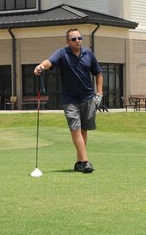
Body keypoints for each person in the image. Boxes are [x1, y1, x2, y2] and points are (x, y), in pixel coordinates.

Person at [33, 28, 104, 173]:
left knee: (84, 131)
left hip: (88, 98)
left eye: (79, 38)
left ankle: (79, 162)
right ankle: (86, 162)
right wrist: (41, 66)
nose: (78, 40)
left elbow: (98, 73)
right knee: (75, 129)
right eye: (74, 39)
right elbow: (49, 61)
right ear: (68, 41)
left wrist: (100, 94)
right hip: (70, 100)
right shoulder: (62, 53)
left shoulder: (88, 54)